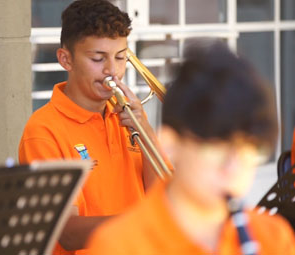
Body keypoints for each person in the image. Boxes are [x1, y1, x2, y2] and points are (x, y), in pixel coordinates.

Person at [88, 40, 295, 255]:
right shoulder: (117, 246)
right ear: (170, 143)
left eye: (251, 152)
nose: (234, 170)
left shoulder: (274, 237)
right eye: (215, 151)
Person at [19, 0, 163, 254]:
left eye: (120, 58)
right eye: (98, 58)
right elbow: (68, 232)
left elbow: (163, 198)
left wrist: (145, 130)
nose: (112, 71)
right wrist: (141, 224)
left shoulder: (129, 118)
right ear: (66, 59)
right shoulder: (43, 131)